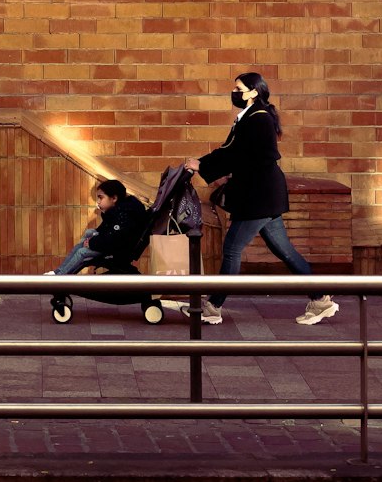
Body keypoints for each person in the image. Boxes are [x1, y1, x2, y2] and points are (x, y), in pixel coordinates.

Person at [184, 72, 339, 326]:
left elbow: (237, 154)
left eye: (238, 88)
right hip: (261, 195)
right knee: (284, 251)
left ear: (254, 92)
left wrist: (202, 165)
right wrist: (208, 166)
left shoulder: (258, 119)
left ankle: (213, 307)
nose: (234, 92)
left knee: (232, 249)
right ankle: (320, 298)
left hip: (259, 197)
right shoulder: (250, 117)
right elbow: (231, 151)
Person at [50, 179, 147, 274]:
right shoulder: (118, 210)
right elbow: (106, 230)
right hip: (112, 243)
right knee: (89, 233)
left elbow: (113, 239)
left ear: (114, 198)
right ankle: (58, 272)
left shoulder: (125, 214)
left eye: (101, 197)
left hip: (118, 249)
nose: (98, 202)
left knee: (82, 252)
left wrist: (91, 243)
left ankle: (60, 276)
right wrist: (91, 240)